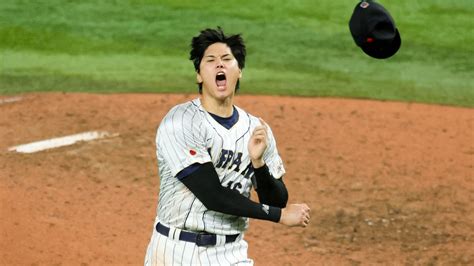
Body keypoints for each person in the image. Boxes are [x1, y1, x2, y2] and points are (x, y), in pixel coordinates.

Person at [144, 27, 311, 265]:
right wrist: (280, 216)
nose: (219, 66)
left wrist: (259, 164)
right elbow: (213, 196)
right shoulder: (181, 122)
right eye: (210, 61)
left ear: (239, 71)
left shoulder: (256, 129)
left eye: (227, 60)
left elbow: (276, 200)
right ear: (199, 75)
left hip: (231, 252)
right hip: (177, 251)